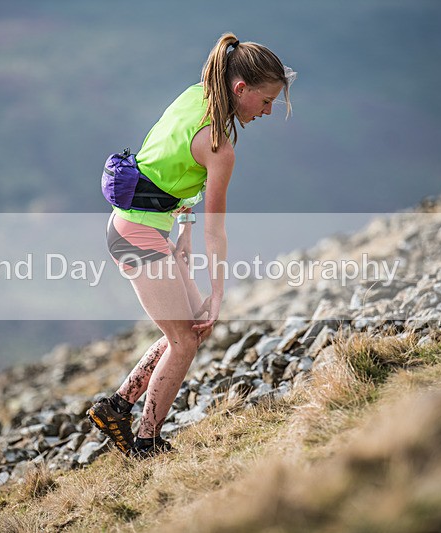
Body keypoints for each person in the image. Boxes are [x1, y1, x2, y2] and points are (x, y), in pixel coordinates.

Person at [88, 32, 294, 458]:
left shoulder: (196, 94)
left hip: (139, 228)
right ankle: (146, 441)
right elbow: (216, 229)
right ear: (241, 90)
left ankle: (116, 407)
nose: (269, 110)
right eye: (267, 100)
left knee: (187, 327)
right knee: (184, 339)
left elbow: (168, 167)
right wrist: (219, 293)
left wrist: (180, 238)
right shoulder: (219, 144)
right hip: (137, 236)